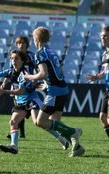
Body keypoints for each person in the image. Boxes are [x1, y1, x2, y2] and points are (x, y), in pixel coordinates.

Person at [0, 50, 69, 154]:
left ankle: (61, 138)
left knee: (38, 123)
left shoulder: (24, 74)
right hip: (20, 102)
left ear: (22, 61)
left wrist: (4, 91)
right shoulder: (9, 71)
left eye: (16, 58)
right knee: (13, 122)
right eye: (12, 58)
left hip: (31, 100)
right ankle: (14, 146)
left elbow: (20, 91)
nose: (13, 61)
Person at [23, 27, 85, 157]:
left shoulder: (40, 53)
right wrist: (47, 83)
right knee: (54, 121)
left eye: (34, 38)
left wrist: (29, 77)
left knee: (40, 122)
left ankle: (74, 132)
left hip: (54, 93)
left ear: (37, 39)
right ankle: (77, 147)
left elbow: (43, 73)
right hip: (62, 89)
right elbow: (59, 71)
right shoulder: (52, 52)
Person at [4, 36, 37, 139]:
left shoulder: (31, 56)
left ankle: (18, 130)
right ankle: (19, 132)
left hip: (27, 84)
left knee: (28, 111)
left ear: (27, 44)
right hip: (16, 84)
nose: (21, 45)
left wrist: (35, 80)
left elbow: (38, 67)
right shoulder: (15, 55)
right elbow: (11, 70)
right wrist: (5, 82)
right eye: (19, 43)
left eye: (23, 43)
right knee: (18, 107)